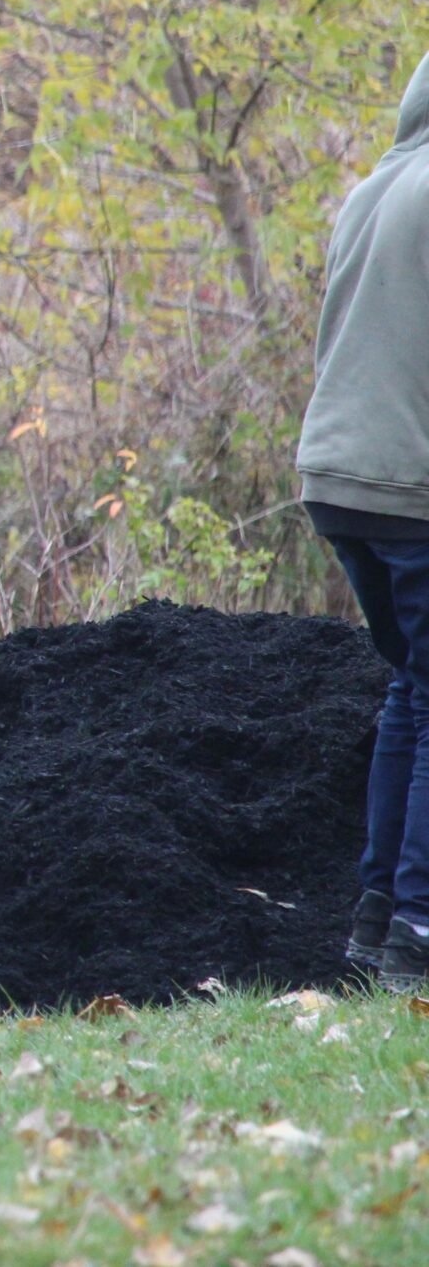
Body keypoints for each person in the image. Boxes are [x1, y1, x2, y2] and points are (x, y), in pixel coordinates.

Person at [297, 49, 429, 993]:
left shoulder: (373, 186)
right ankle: (418, 931)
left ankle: (376, 919)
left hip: (337, 477)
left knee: (412, 689)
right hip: (410, 483)